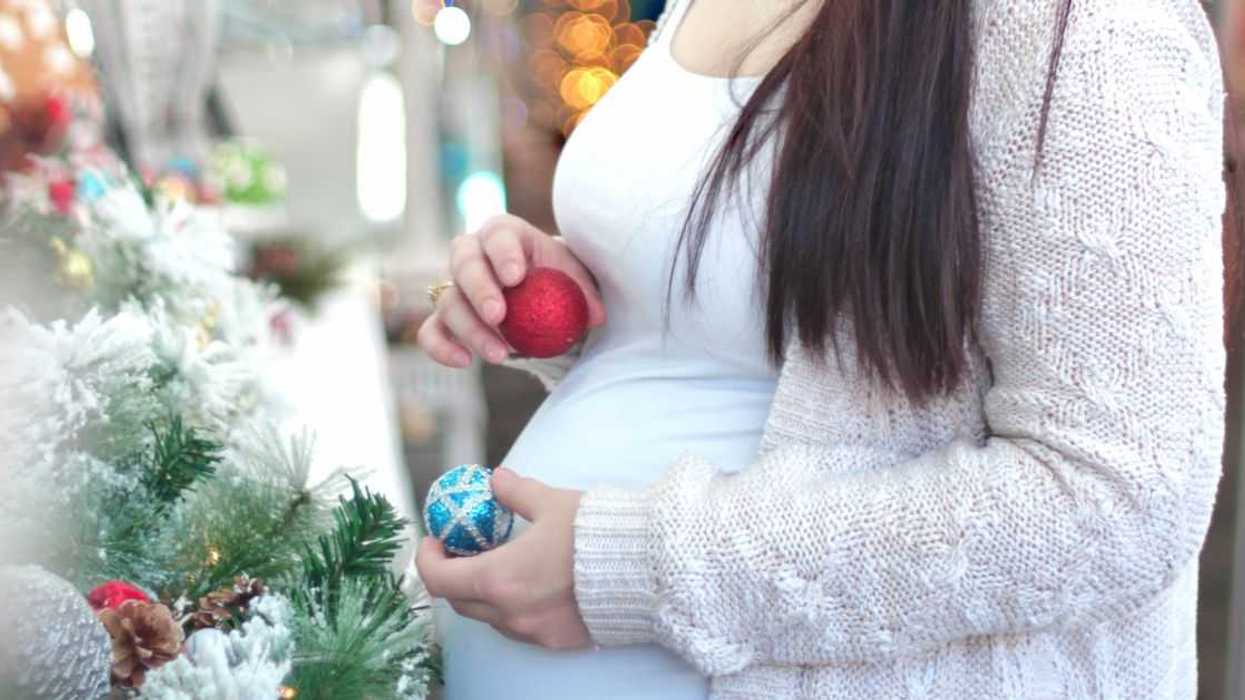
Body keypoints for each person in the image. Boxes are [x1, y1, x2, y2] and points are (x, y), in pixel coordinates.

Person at [415, 0, 1231, 697]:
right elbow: (786, 349)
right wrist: (582, 302)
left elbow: (1119, 499)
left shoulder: (1080, 23)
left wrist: (637, 569)